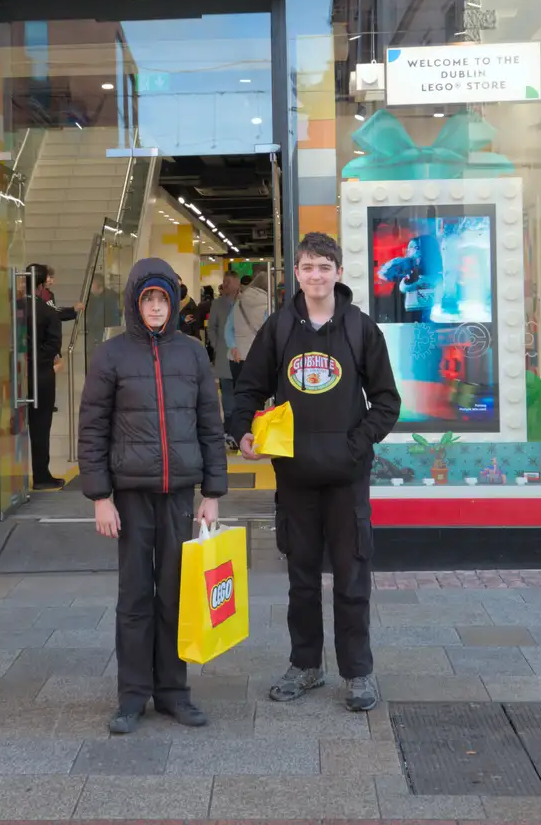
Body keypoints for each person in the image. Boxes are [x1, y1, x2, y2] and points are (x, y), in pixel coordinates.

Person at [230, 232, 400, 713]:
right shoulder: (280, 328)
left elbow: (387, 402)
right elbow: (248, 389)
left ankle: (358, 673)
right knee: (301, 579)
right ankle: (306, 665)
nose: (316, 275)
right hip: (295, 478)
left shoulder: (361, 329)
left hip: (347, 478)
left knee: (351, 578)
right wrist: (242, 431)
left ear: (338, 273)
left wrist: (356, 443)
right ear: (297, 274)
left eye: (325, 266)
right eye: (308, 267)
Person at [79, 259, 227, 735]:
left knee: (176, 596)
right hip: (131, 496)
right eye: (149, 300)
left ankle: (173, 692)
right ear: (135, 304)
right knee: (135, 596)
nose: (157, 308)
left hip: (180, 493)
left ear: (174, 302)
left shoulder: (192, 354)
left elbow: (210, 423)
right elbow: (92, 428)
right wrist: (100, 496)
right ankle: (132, 696)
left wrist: (214, 492)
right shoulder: (111, 356)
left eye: (163, 299)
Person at [27, 264, 81, 491]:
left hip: (15, 374)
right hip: (40, 376)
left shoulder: (12, 308)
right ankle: (41, 476)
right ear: (41, 285)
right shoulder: (47, 311)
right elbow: (52, 344)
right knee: (40, 426)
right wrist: (47, 363)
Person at [206, 273, 240, 449]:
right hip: (224, 356)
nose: (225, 284)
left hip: (243, 356)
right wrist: (216, 343)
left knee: (242, 395)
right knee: (227, 397)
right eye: (224, 281)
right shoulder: (217, 304)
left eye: (229, 281)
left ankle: (241, 430)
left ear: (237, 283)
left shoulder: (245, 302)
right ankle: (229, 432)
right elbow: (211, 327)